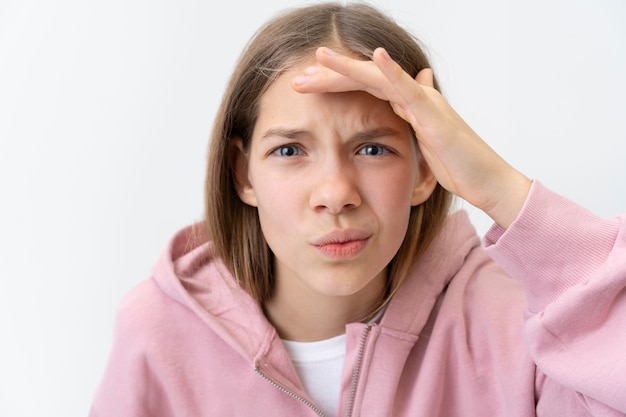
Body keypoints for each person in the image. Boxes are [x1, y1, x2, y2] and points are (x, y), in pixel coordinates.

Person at [89, 2, 626, 416]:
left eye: (373, 149)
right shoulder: (158, 332)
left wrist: (501, 189)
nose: (335, 192)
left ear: (423, 170)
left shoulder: (513, 321)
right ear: (241, 173)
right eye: (290, 150)